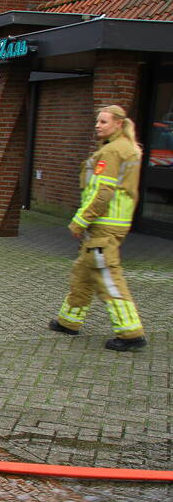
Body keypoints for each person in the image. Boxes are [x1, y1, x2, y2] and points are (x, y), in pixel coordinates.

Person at [48, 105, 147, 351]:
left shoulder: (113, 151)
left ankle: (130, 333)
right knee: (83, 272)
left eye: (103, 122)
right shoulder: (126, 148)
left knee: (107, 277)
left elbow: (103, 192)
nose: (97, 125)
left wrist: (81, 220)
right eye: (97, 121)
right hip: (112, 223)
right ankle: (68, 321)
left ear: (118, 124)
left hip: (104, 225)